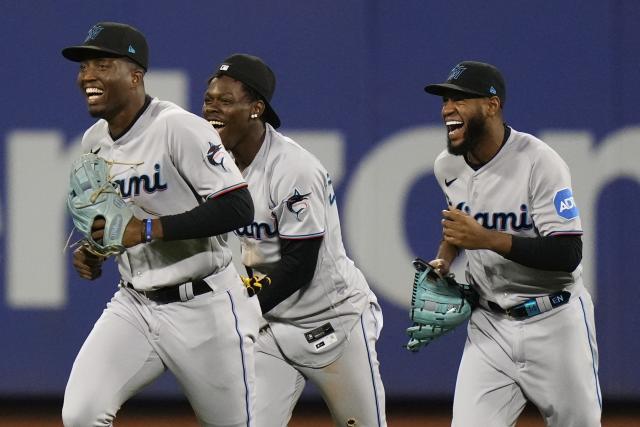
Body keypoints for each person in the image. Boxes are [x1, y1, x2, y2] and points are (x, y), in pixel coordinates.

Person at [60, 22, 261, 427]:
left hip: (205, 306)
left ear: (135, 75)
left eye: (101, 64)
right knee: (80, 415)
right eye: (83, 66)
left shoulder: (177, 127)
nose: (87, 76)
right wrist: (95, 250)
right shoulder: (93, 141)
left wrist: (147, 230)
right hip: (134, 304)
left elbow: (239, 207)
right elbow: (117, 223)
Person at [202, 53, 387, 426]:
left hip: (334, 322)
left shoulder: (292, 169)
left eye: (225, 101)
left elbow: (300, 265)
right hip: (272, 328)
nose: (212, 109)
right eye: (208, 99)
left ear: (256, 109)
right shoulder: (213, 165)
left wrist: (242, 311)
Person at [423, 61, 601, 426]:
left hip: (555, 321)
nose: (447, 109)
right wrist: (443, 260)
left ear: (492, 104)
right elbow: (459, 228)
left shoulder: (540, 162)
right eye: (444, 100)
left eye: (459, 99)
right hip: (489, 328)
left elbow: (567, 253)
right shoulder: (447, 166)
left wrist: (485, 239)